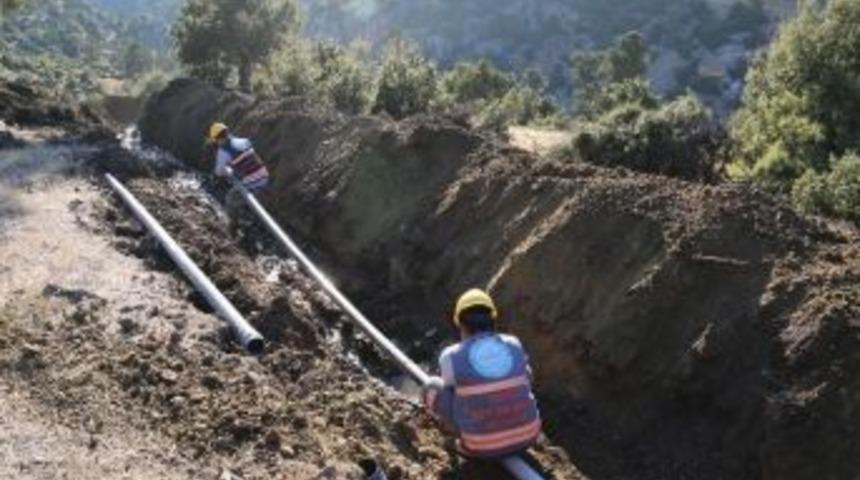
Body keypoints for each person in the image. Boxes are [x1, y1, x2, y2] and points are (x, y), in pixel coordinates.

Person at [422, 288, 542, 459]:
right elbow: (528, 378)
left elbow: (450, 392)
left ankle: (457, 437)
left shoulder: (450, 355)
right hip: (529, 436)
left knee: (432, 387)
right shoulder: (514, 344)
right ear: (493, 319)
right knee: (524, 372)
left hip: (479, 447)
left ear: (460, 324)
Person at [207, 122, 270, 231]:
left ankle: (234, 225)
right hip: (264, 174)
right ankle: (248, 213)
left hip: (252, 181)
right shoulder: (244, 140)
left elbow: (219, 172)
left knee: (230, 199)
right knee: (246, 195)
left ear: (217, 139)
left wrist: (228, 171)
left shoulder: (223, 152)